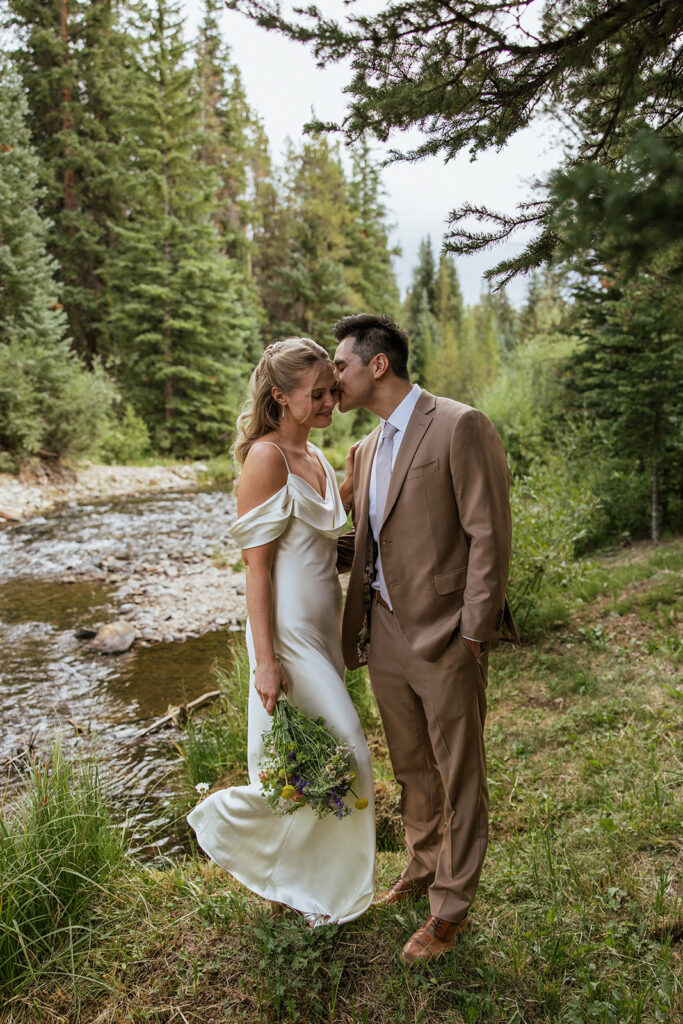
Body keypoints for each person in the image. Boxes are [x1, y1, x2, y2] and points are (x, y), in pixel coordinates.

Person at [333, 314, 518, 965]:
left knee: (458, 770)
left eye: (341, 365)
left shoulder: (459, 425)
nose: (334, 377)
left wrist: (472, 633)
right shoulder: (363, 449)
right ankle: (421, 864)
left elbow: (488, 533)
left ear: (377, 364)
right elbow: (365, 544)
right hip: (382, 631)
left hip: (446, 633)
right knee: (411, 765)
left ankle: (450, 908)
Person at [187, 338, 375, 926]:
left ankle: (305, 886)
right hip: (288, 633)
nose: (329, 402)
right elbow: (257, 568)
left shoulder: (314, 454)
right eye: (316, 395)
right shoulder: (266, 458)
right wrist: (265, 661)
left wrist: (352, 479)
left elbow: (323, 531)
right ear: (279, 396)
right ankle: (226, 823)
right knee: (347, 750)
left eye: (331, 391)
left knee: (316, 761)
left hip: (323, 625)